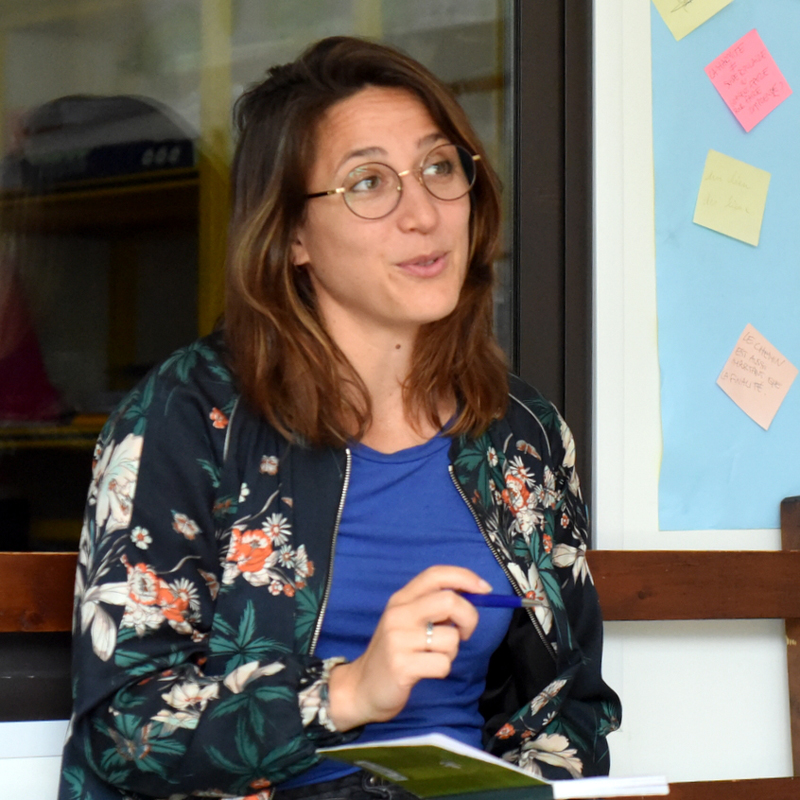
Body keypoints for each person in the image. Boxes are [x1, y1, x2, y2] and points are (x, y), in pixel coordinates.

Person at [58, 36, 621, 800]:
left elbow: (567, 706)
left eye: (439, 168)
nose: (423, 214)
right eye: (368, 182)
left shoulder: (520, 433)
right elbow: (125, 730)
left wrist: (529, 786)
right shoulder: (189, 417)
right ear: (292, 235)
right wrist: (348, 693)